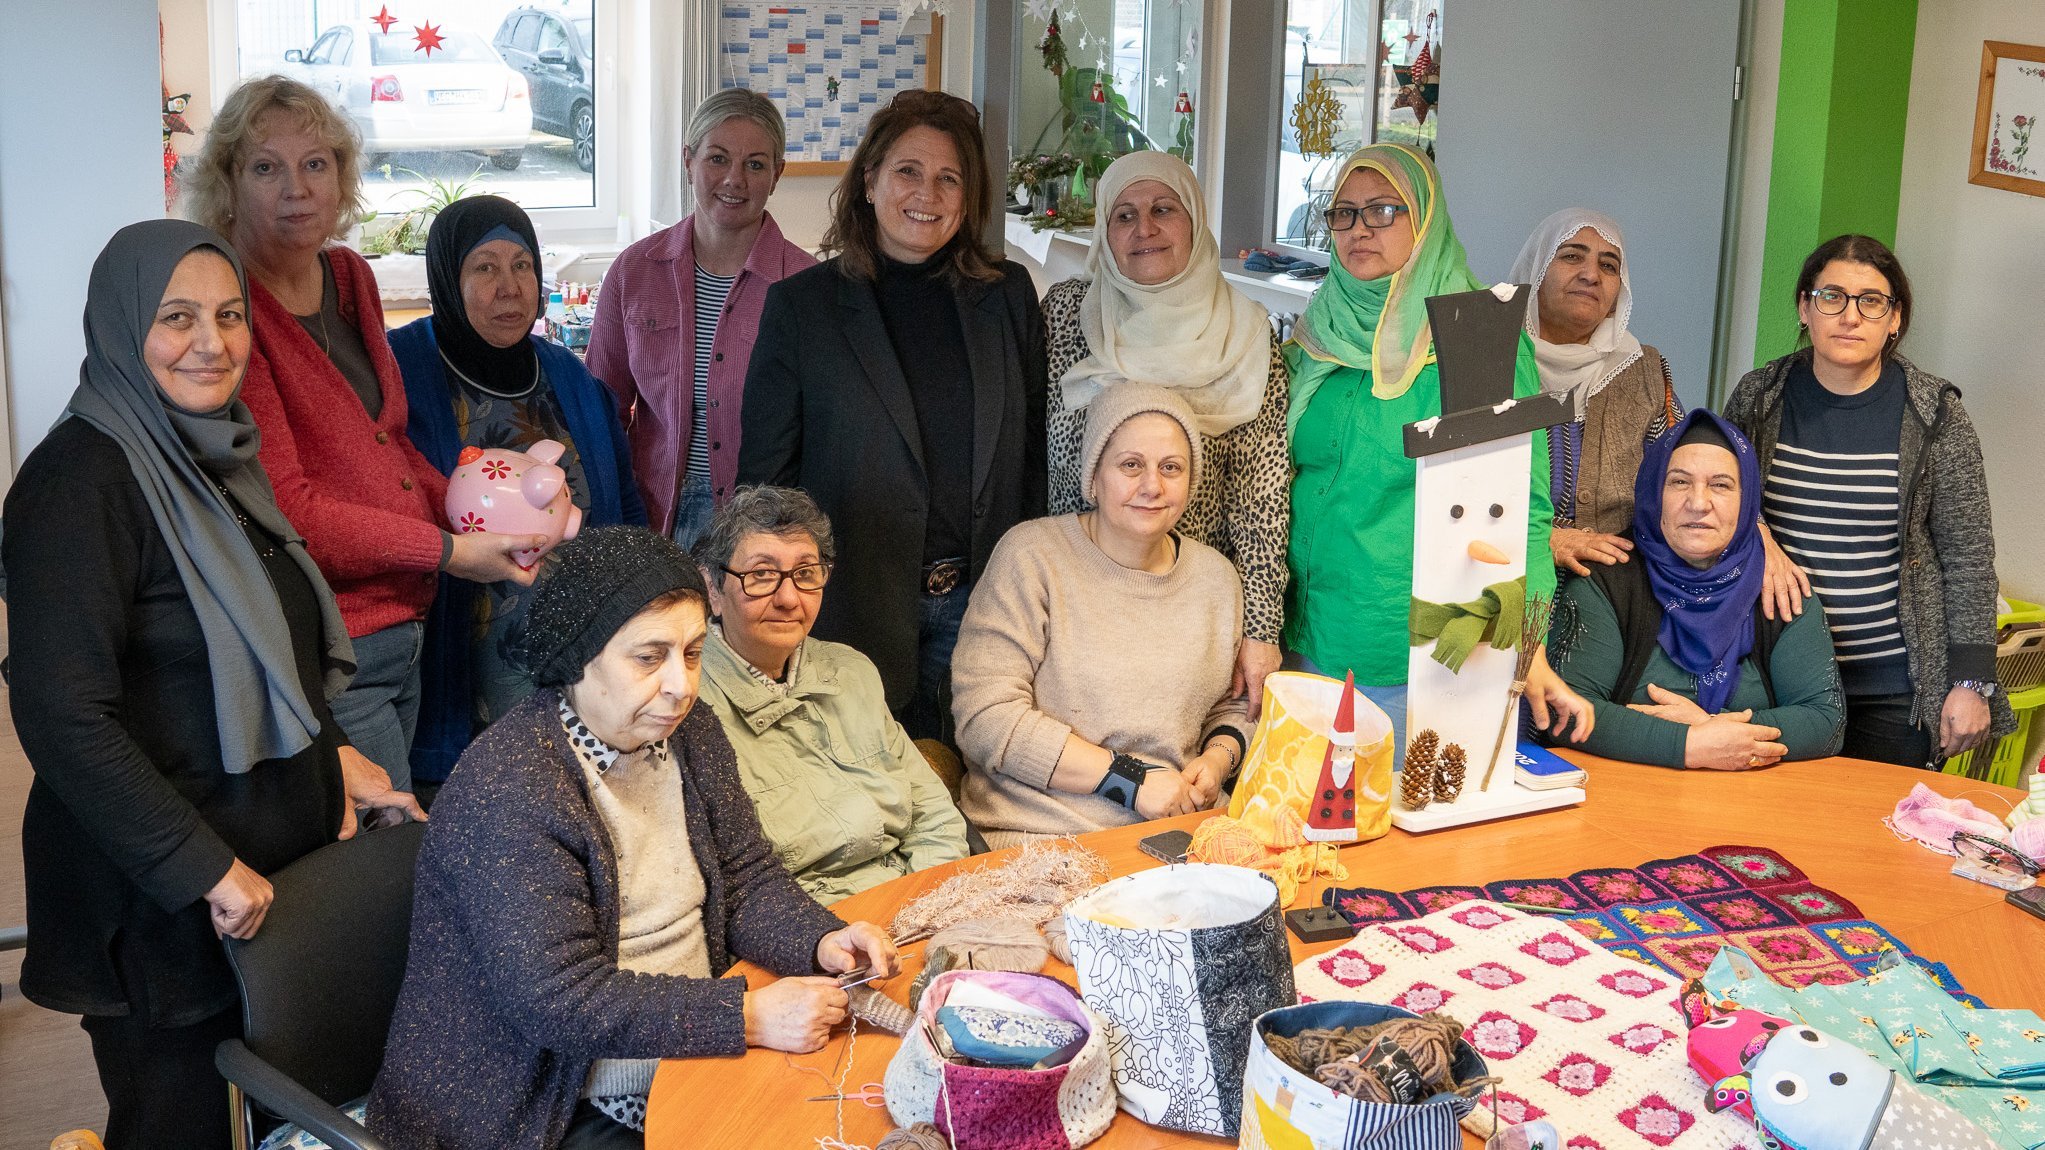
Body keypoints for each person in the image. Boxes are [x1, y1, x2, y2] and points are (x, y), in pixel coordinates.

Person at [4, 221, 420, 1149]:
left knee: (273, 1121)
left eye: (230, 316)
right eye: (177, 317)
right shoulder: (78, 483)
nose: (212, 342)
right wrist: (198, 865)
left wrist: (332, 754)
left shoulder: (216, 455)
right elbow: (62, 715)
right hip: (160, 895)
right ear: (122, 326)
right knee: (179, 1123)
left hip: (264, 873)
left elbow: (268, 645)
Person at [368, 526, 896, 1150]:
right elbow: (560, 1002)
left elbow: (746, 877)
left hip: (684, 1032)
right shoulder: (511, 786)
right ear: (577, 657)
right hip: (545, 1098)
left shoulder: (687, 732)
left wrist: (821, 939)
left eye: (693, 653)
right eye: (649, 658)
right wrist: (745, 1017)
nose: (682, 685)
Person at [188, 75, 541, 790]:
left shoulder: (348, 275)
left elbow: (391, 444)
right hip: (333, 639)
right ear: (228, 182)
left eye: (315, 164)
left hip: (405, 620)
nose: (297, 189)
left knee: (399, 827)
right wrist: (452, 550)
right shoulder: (228, 308)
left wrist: (481, 506)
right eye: (266, 167)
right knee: (385, 841)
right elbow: (290, 510)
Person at [741, 87, 1047, 744]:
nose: (926, 193)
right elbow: (765, 485)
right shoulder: (802, 307)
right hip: (852, 610)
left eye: (949, 178)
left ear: (968, 197)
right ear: (870, 181)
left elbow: (1032, 461)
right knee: (861, 789)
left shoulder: (1008, 297)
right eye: (908, 170)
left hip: (985, 609)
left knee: (973, 782)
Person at [1283, 143, 1592, 764]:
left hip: (1424, 649)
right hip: (1307, 631)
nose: (1359, 229)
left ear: (1425, 219)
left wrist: (1527, 644)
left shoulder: (1477, 336)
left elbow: (1523, 510)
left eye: (1383, 210)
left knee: (1406, 816)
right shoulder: (1320, 328)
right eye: (1342, 213)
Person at [1724, 234, 2013, 767]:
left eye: (1871, 301)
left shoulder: (1936, 414)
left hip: (1892, 687)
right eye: (1831, 296)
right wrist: (1760, 535)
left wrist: (1972, 682)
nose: (1850, 316)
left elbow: (1969, 558)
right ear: (1804, 307)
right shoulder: (1759, 397)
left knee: (1878, 820)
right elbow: (1718, 500)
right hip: (1774, 672)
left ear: (1894, 318)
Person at [390, 195, 646, 786]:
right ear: (447, 279)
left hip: (576, 667)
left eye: (522, 265)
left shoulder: (571, 377)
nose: (509, 287)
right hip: (454, 669)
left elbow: (624, 505)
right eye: (484, 268)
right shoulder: (399, 372)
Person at [1044, 151, 1290, 714]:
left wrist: (1259, 630)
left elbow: (1262, 499)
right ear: (1104, 231)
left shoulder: (1247, 335)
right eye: (1124, 215)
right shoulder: (1065, 315)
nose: (1144, 229)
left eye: (1163, 209)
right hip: (1074, 598)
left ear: (1195, 221)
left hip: (1192, 611)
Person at [952, 385, 1249, 849]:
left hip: (1184, 834)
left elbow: (1231, 705)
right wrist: (1128, 780)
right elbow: (985, 718)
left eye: (1171, 468)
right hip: (1043, 836)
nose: (1152, 485)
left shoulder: (1217, 578)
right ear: (1092, 477)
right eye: (1131, 465)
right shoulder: (1031, 556)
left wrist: (1216, 760)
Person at [691, 486, 969, 902]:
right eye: (761, 575)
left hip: (921, 898)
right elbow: (738, 890)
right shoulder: (685, 705)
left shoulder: (850, 671)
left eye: (806, 573)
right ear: (712, 588)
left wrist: (926, 904)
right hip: (813, 924)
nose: (788, 599)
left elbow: (935, 816)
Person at [1548, 411, 1844, 769]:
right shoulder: (1607, 579)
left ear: (1747, 500)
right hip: (1628, 791)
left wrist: (1712, 728)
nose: (1699, 503)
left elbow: (1825, 721)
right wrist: (1690, 744)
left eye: (1720, 485)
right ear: (1653, 491)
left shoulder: (1779, 585)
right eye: (1679, 482)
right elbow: (1566, 711)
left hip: (1753, 797)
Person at [586, 89, 816, 546]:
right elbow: (600, 408)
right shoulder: (634, 271)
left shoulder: (807, 285)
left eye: (755, 165)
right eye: (717, 158)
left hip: (765, 523)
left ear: (777, 175)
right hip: (650, 512)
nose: (734, 179)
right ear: (688, 160)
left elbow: (822, 430)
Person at [1506, 208, 1682, 577]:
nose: (1591, 275)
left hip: (1611, 582)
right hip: (1503, 574)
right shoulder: (1488, 361)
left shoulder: (1644, 370)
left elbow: (1681, 473)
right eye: (1572, 256)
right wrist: (1545, 540)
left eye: (1608, 266)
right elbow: (1452, 489)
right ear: (1537, 270)